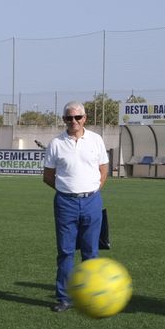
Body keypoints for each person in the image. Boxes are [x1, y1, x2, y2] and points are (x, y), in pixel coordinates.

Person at [43, 102, 108, 312]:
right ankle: (64, 297)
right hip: (65, 203)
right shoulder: (56, 143)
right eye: (69, 118)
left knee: (91, 252)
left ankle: (92, 295)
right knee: (66, 252)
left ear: (85, 118)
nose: (73, 122)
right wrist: (67, 190)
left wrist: (91, 190)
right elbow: (48, 176)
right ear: (63, 120)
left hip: (92, 202)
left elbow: (103, 169)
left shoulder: (96, 140)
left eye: (77, 117)